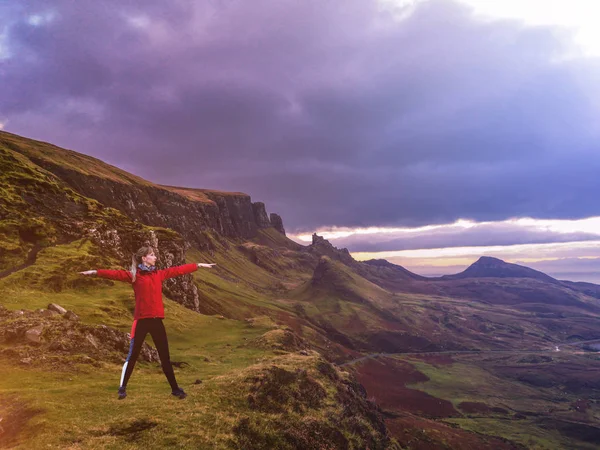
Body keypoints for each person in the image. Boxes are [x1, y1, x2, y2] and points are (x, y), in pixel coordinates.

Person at [79, 245, 216, 400]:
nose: (155, 257)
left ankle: (175, 389)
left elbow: (178, 270)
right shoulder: (134, 276)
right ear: (144, 258)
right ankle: (122, 388)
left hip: (157, 321)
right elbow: (114, 274)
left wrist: (198, 265)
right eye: (152, 255)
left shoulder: (159, 274)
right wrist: (95, 272)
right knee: (132, 356)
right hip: (141, 321)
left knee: (165, 358)